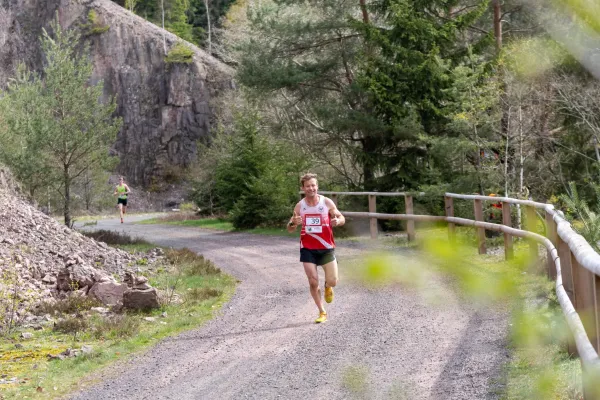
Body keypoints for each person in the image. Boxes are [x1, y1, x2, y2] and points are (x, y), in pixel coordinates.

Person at [287, 173, 345, 323]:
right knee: (313, 281)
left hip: (326, 247)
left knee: (333, 281)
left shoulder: (326, 203)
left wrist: (337, 221)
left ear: (317, 186)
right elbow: (290, 228)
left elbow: (341, 217)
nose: (311, 188)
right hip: (308, 248)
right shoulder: (300, 206)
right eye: (308, 186)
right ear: (303, 188)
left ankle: (327, 286)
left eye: (313, 185)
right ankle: (322, 311)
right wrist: (294, 223)